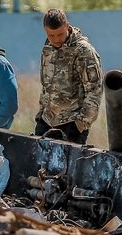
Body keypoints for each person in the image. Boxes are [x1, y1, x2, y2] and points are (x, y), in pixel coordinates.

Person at [35, 8, 102, 145]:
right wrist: (41, 114)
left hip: (71, 125)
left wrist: (81, 124)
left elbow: (95, 90)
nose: (56, 40)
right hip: (46, 122)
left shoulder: (83, 51)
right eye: (51, 35)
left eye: (60, 34)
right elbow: (46, 86)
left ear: (67, 26)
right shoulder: (48, 48)